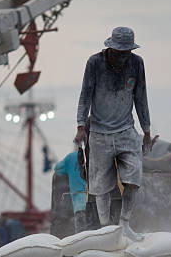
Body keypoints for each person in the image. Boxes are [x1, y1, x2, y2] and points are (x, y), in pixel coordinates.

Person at [74, 27, 157, 241]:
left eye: (127, 52)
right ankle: (105, 229)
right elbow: (85, 95)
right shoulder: (94, 63)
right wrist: (81, 126)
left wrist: (146, 131)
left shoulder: (137, 63)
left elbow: (141, 96)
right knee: (100, 186)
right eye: (120, 52)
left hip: (126, 130)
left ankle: (124, 224)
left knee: (134, 175)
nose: (123, 56)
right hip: (99, 133)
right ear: (110, 48)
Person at [54, 146, 92, 233]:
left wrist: (69, 170)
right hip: (95, 200)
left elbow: (57, 169)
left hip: (79, 203)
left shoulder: (70, 157)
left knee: (81, 234)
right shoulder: (92, 154)